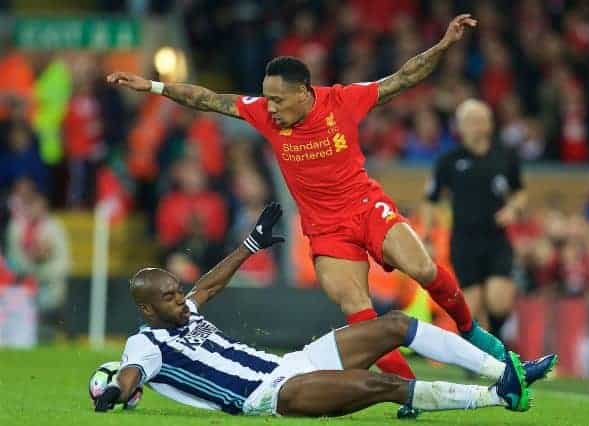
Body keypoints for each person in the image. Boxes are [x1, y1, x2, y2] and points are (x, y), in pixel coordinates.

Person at [107, 15, 507, 390]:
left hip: (366, 206)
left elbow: (404, 78)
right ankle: (409, 391)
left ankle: (471, 331)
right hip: (324, 228)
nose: (271, 107)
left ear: (304, 93)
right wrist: (155, 87)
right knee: (357, 307)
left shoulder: (343, 102)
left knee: (422, 267)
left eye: (279, 100)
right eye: (267, 99)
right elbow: (208, 99)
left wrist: (443, 45)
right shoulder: (264, 113)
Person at [94, 203, 556, 417]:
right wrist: (115, 392)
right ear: (147, 309)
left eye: (178, 291)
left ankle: (505, 370)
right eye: (170, 297)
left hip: (293, 363)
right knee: (385, 384)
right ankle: (498, 397)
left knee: (392, 324)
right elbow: (132, 375)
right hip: (272, 395)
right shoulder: (146, 343)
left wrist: (251, 244)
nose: (181, 299)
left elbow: (208, 286)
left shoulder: (184, 311)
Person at [422, 99, 526, 339]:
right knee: (472, 305)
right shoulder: (448, 160)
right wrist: (426, 236)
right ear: (459, 126)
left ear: (490, 124)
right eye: (471, 121)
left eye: (481, 120)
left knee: (499, 301)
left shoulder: (505, 156)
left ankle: (499, 343)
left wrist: (513, 209)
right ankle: (479, 357)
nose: (477, 126)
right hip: (463, 240)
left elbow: (520, 191)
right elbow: (430, 199)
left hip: (496, 237)